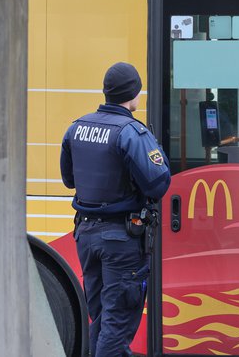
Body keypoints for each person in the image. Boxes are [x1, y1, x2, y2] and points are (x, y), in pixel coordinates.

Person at [60, 62, 171, 357]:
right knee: (117, 320)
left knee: (102, 317)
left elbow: (69, 179)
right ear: (133, 93)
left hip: (86, 234)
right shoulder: (131, 132)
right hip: (120, 239)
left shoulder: (77, 127)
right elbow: (159, 183)